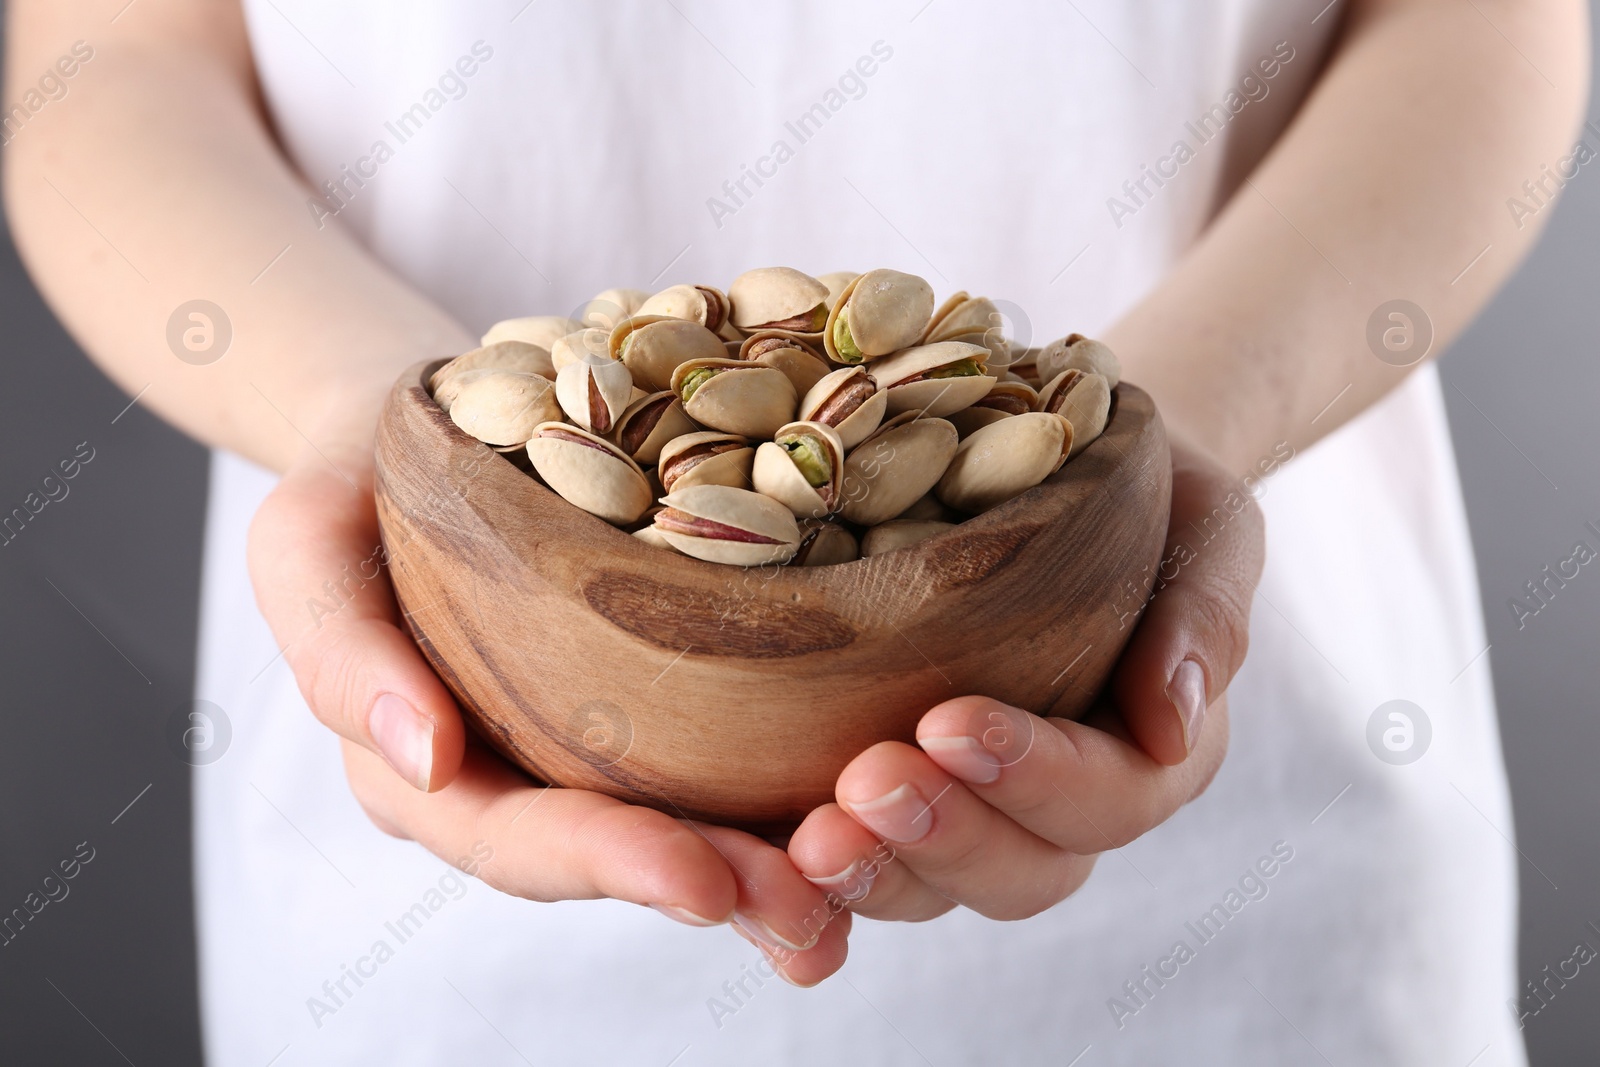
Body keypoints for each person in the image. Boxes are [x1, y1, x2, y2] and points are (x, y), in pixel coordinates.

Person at [5, 0, 1587, 1062]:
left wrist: (1159, 451)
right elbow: (107, 59)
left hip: (1262, 883)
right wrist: (370, 429)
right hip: (433, 870)